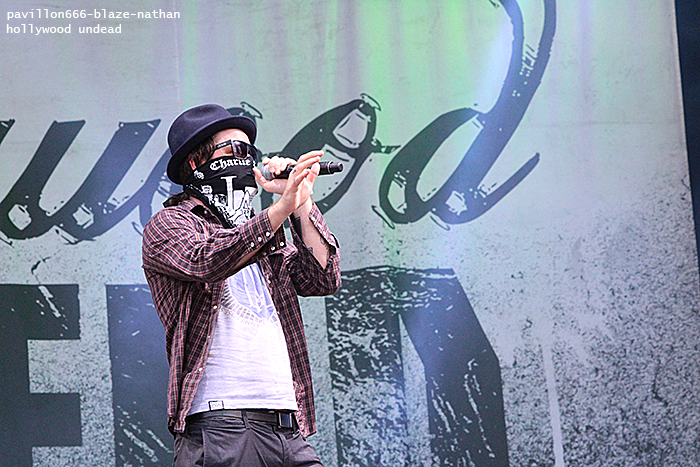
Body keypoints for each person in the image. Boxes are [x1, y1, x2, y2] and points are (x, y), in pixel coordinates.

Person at [142, 103, 341, 466]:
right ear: (195, 162)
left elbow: (321, 278)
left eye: (250, 151)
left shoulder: (263, 238)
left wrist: (299, 201)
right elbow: (207, 259)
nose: (246, 159)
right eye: (234, 150)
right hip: (221, 424)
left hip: (287, 425)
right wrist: (278, 211)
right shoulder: (169, 224)